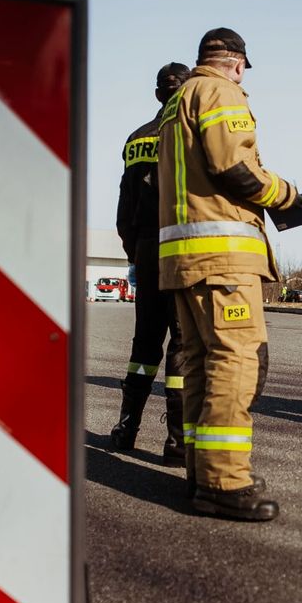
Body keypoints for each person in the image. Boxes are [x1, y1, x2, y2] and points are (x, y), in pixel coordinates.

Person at [157, 28, 302, 521]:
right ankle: (224, 481)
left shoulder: (177, 101)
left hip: (185, 259)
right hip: (224, 260)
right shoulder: (220, 91)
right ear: (238, 64)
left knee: (199, 362)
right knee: (236, 361)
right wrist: (286, 194)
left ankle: (201, 472)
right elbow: (232, 167)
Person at [103, 63, 192, 467]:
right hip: (180, 247)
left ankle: (126, 428)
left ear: (158, 94)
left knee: (144, 343)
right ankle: (175, 441)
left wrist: (133, 251)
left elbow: (124, 206)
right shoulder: (189, 133)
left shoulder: (136, 138)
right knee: (181, 342)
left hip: (144, 245)